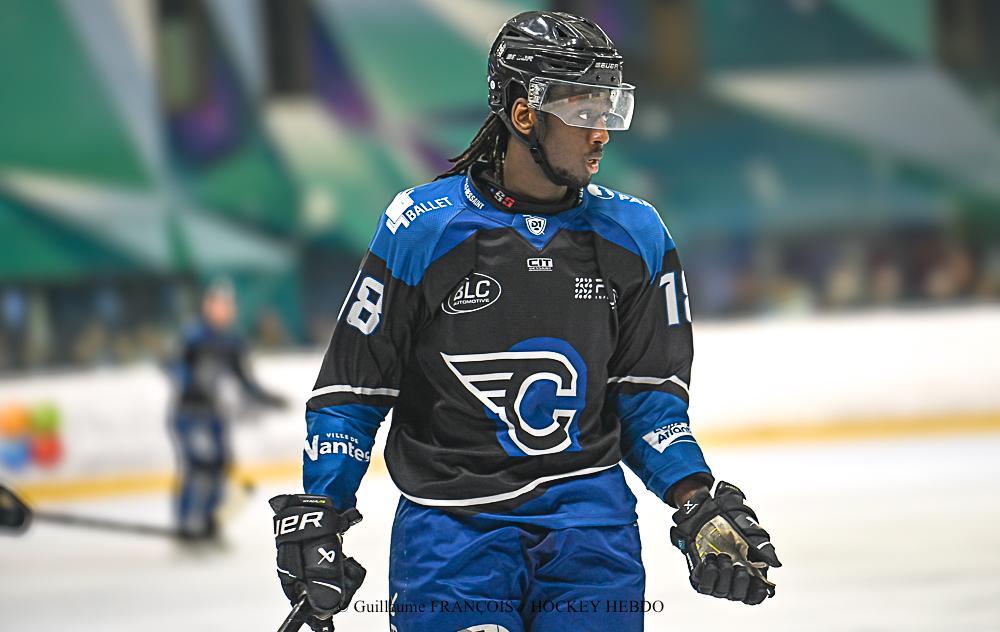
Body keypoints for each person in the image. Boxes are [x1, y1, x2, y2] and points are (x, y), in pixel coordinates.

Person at [270, 11, 781, 631]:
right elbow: (355, 389)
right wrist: (321, 509)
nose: (602, 133)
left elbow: (648, 401)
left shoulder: (636, 234)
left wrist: (695, 500)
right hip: (451, 534)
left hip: (592, 534)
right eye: (584, 112)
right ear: (523, 114)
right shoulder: (423, 228)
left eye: (609, 110)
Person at [169, 279, 285, 542]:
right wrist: (190, 382)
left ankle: (209, 522)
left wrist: (267, 398)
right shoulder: (194, 336)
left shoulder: (232, 342)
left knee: (220, 465)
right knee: (198, 465)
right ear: (207, 306)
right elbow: (174, 364)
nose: (224, 310)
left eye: (228, 305)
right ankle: (186, 522)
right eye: (219, 304)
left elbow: (245, 380)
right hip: (189, 413)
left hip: (213, 414)